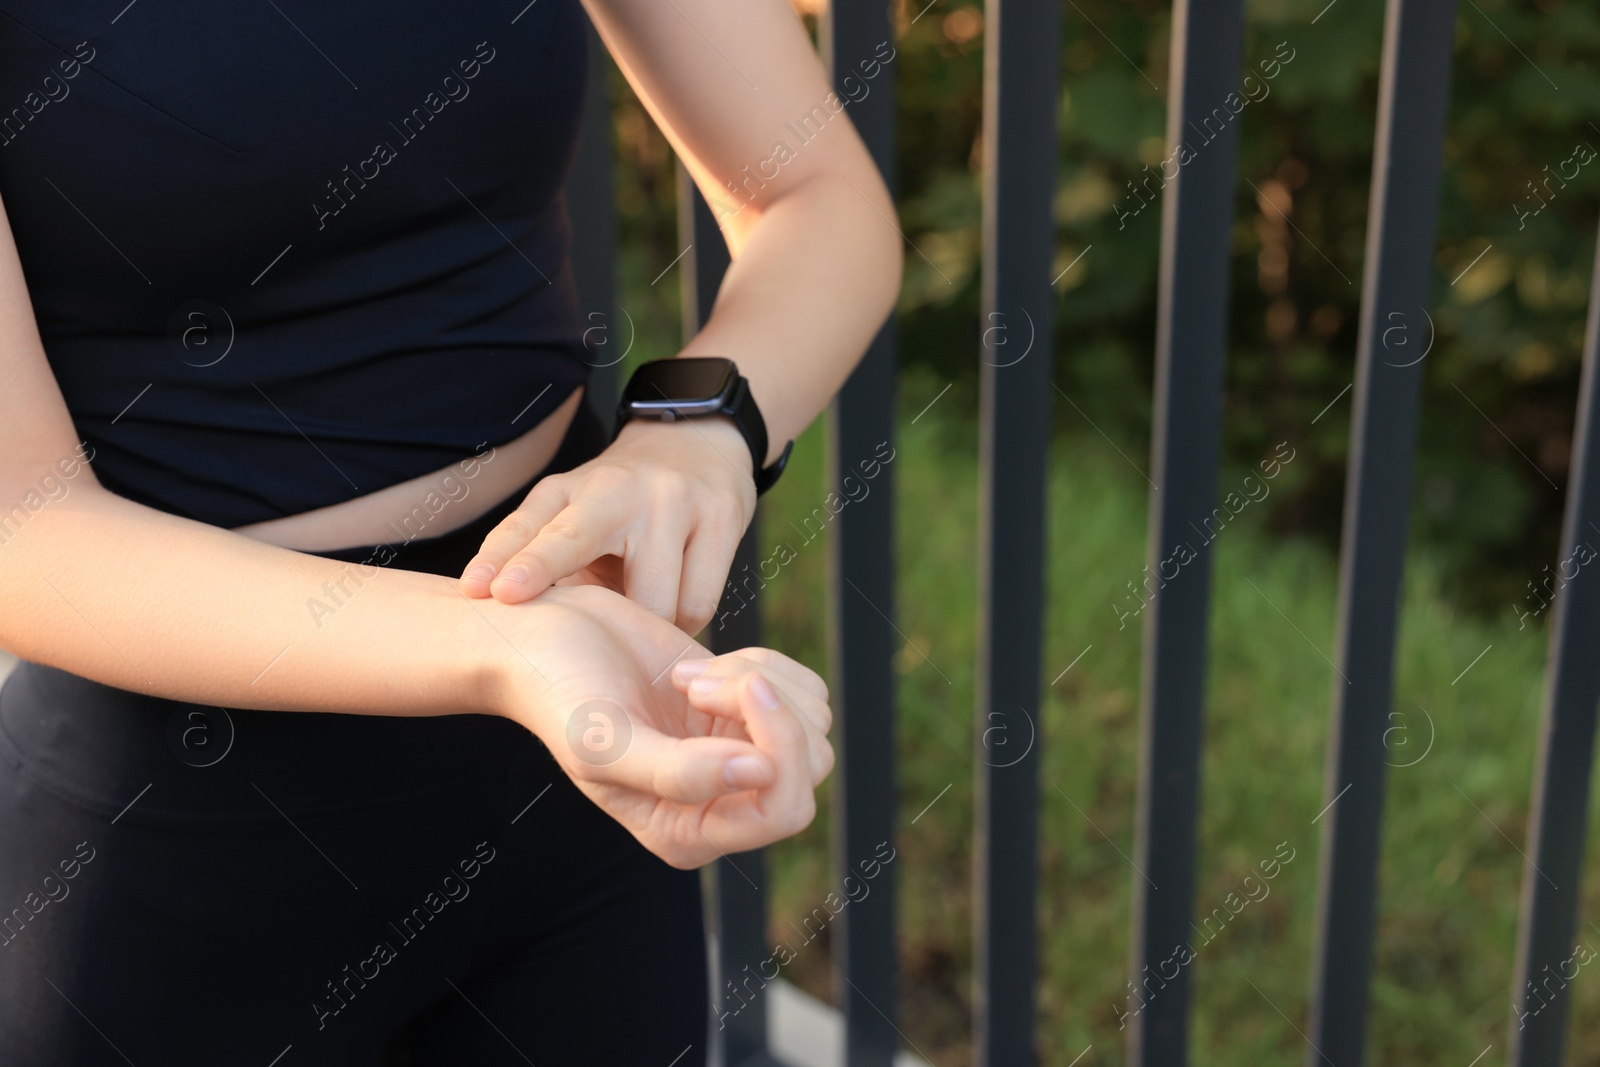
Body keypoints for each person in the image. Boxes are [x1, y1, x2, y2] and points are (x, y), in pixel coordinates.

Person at [0, 0, 899, 1062]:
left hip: (577, 784)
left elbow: (814, 193)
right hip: (180, 839)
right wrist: (505, 646)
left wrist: (692, 429)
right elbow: (27, 522)